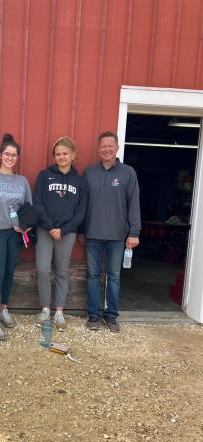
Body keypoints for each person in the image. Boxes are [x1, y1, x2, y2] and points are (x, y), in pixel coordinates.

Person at [82, 131, 141, 332]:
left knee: (114, 277)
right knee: (92, 275)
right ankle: (93, 315)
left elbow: (134, 204)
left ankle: (112, 315)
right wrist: (81, 230)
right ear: (98, 149)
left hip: (117, 236)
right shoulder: (89, 172)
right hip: (92, 234)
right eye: (103, 146)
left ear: (117, 148)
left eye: (110, 146)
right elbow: (82, 204)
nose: (106, 149)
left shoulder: (128, 173)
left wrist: (134, 232)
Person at [0, 133, 32, 340]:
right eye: (7, 154)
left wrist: (25, 227)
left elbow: (30, 207)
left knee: (10, 273)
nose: (10, 158)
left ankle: (3, 309)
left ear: (17, 158)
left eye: (14, 155)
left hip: (14, 234)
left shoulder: (22, 181)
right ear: (0, 155)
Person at [33, 136, 88, 331]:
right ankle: (46, 309)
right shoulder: (44, 176)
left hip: (68, 232)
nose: (62, 157)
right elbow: (37, 204)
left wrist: (63, 230)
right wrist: (50, 227)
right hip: (45, 229)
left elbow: (81, 211)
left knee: (62, 271)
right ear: (54, 157)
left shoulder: (80, 181)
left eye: (65, 153)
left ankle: (59, 312)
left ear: (73, 155)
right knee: (43, 269)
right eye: (58, 154)